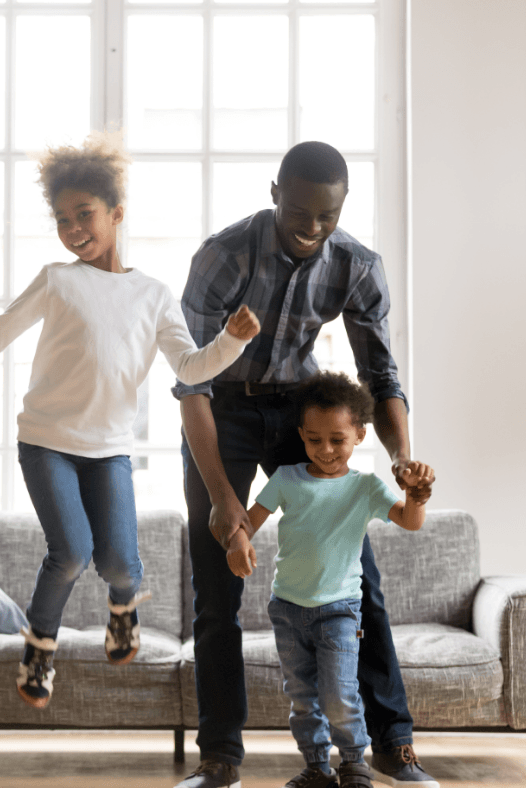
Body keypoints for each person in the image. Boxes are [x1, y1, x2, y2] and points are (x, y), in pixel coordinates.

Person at [0, 132, 261, 710]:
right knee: (71, 553)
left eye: (84, 214)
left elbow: (190, 367)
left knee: (119, 563)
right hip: (46, 443)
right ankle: (39, 649)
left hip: (109, 450)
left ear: (116, 213)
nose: (73, 228)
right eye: (62, 219)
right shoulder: (57, 280)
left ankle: (124, 607)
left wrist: (231, 342)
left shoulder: (153, 295)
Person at [174, 141, 439, 788]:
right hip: (222, 410)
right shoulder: (223, 257)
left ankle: (393, 744)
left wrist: (402, 459)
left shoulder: (357, 265)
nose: (312, 227)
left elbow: (381, 376)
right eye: (299, 212)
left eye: (327, 216)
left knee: (358, 577)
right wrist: (224, 501)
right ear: (275, 194)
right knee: (217, 584)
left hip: (300, 411)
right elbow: (191, 386)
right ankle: (220, 758)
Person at [226, 372, 433, 788]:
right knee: (302, 700)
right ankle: (317, 767)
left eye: (337, 440)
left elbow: (410, 522)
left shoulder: (365, 487)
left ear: (359, 435)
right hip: (287, 610)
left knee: (340, 695)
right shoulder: (286, 479)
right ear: (301, 435)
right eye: (314, 439)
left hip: (339, 611)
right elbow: (249, 521)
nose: (325, 450)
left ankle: (354, 763)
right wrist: (237, 541)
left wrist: (416, 495)